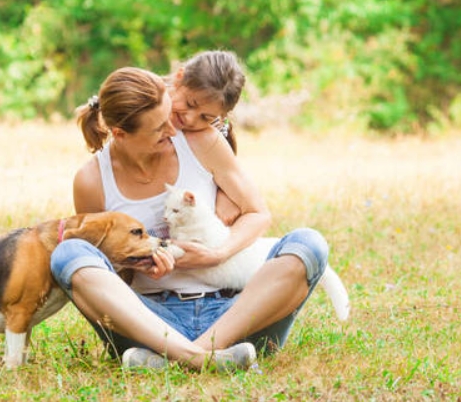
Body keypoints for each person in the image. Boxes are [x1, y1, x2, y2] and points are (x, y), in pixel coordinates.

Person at [50, 51, 329, 370]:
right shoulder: (91, 180)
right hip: (152, 322)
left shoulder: (200, 140)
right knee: (69, 253)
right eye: (159, 129)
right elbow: (111, 276)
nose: (174, 130)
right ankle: (201, 358)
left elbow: (257, 212)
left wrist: (217, 254)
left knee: (309, 244)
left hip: (233, 313)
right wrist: (140, 262)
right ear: (120, 134)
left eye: (170, 117)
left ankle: (180, 357)